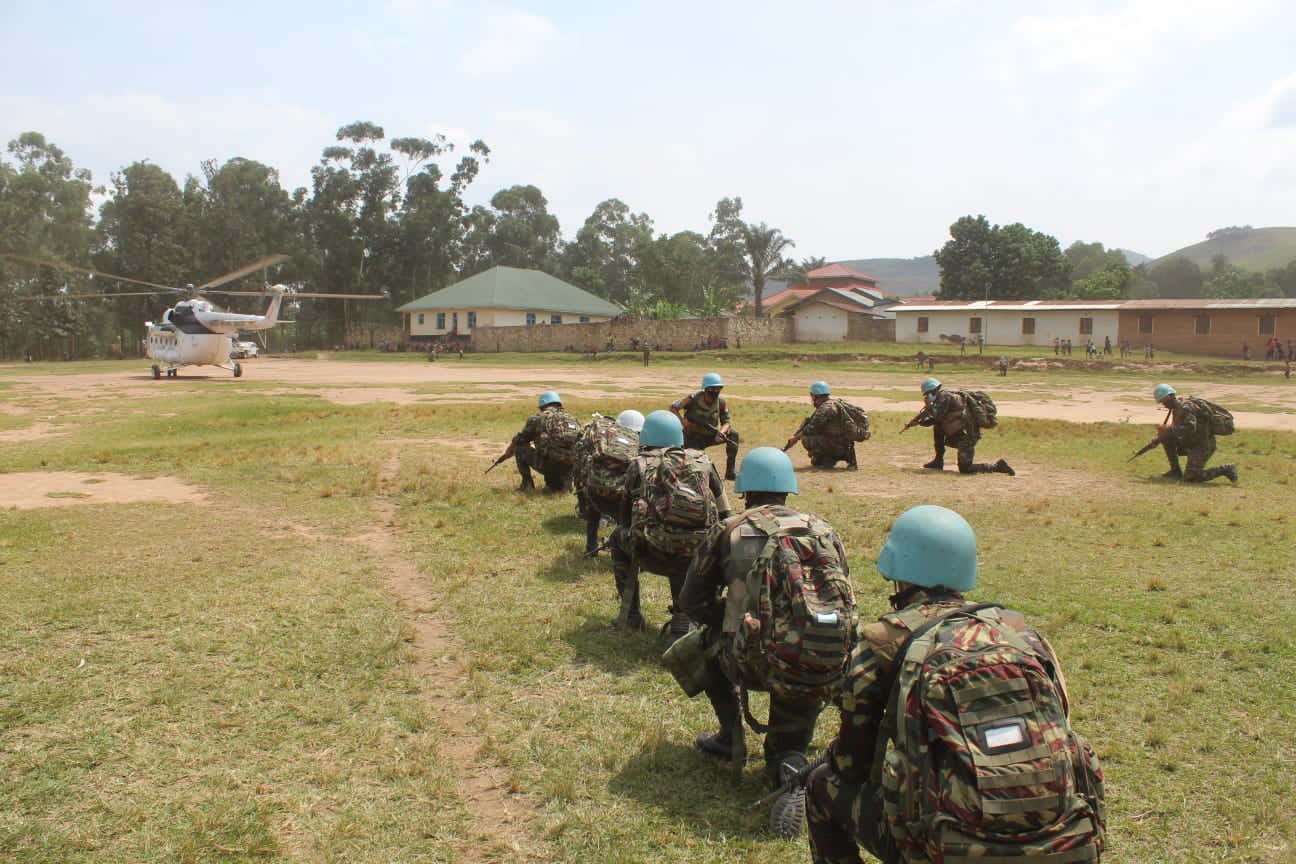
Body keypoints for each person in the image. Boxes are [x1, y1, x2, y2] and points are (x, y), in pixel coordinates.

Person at [805, 505, 1105, 864]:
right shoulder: (1021, 635)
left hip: (945, 846)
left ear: (899, 572)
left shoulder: (882, 643)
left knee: (822, 785)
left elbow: (851, 764)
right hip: (1064, 842)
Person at [675, 447, 851, 836]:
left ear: (747, 489)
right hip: (818, 662)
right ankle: (789, 764)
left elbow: (691, 601)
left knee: (702, 643)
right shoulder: (823, 531)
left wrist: (731, 622)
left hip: (752, 662)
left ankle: (729, 737)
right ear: (788, 488)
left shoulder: (731, 529)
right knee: (796, 697)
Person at [614, 411, 732, 635]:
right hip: (700, 559)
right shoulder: (703, 461)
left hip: (653, 554)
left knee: (617, 537)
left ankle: (631, 616)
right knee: (689, 552)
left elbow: (624, 520)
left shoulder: (638, 466)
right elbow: (726, 514)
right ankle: (688, 615)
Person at [906, 377, 1014, 475]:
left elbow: (937, 416)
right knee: (938, 427)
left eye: (928, 393)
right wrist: (919, 422)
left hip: (966, 436)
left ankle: (997, 467)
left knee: (965, 469)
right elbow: (935, 420)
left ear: (934, 390)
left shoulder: (946, 397)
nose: (927, 396)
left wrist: (927, 406)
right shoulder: (941, 399)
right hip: (958, 433)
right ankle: (938, 461)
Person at [573, 409, 644, 557]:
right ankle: (622, 551)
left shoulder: (605, 436)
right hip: (619, 496)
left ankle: (590, 548)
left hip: (594, 490)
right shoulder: (638, 442)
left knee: (593, 518)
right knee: (624, 521)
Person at [1150, 384, 1238, 483]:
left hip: (1202, 446)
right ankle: (1175, 471)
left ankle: (1225, 469)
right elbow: (1176, 429)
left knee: (1191, 478)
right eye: (1161, 402)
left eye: (1164, 400)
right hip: (1190, 442)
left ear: (1170, 396)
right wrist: (1159, 439)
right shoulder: (1176, 408)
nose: (1164, 404)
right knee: (1166, 437)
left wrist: (1169, 430)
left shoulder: (1185, 407)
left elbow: (1191, 427)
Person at [505, 390, 581, 492]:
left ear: (542, 405)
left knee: (519, 448)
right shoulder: (573, 419)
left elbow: (520, 440)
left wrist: (509, 451)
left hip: (549, 466)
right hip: (570, 468)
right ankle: (565, 486)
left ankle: (527, 485)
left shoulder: (537, 419)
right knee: (556, 487)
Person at [670, 372, 740, 480]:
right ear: (706, 388)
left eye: (718, 388)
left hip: (710, 436)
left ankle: (730, 471)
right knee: (689, 467)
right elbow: (673, 408)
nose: (715, 391)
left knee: (733, 435)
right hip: (691, 437)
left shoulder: (721, 403)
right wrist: (682, 421)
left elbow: (726, 422)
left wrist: (721, 433)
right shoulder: (693, 399)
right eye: (712, 388)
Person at [785, 381, 863, 470]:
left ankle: (827, 459)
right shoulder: (835, 404)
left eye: (812, 395)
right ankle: (847, 459)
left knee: (806, 439)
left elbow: (811, 428)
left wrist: (795, 438)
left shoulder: (825, 409)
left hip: (836, 446)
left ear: (815, 395)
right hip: (846, 445)